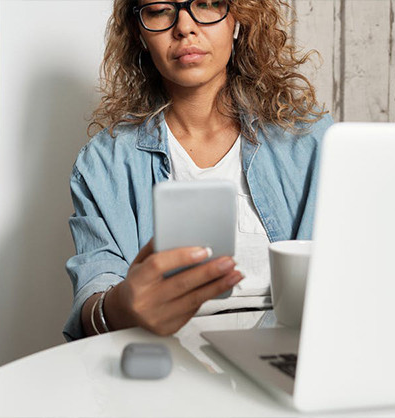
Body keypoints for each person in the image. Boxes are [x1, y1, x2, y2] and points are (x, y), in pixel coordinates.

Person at [63, 0, 332, 342]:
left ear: (238, 19)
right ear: (140, 33)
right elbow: (93, 298)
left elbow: (343, 280)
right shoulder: (103, 164)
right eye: (160, 10)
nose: (185, 27)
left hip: (287, 351)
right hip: (165, 361)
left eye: (206, 4)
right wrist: (119, 307)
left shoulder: (310, 141)